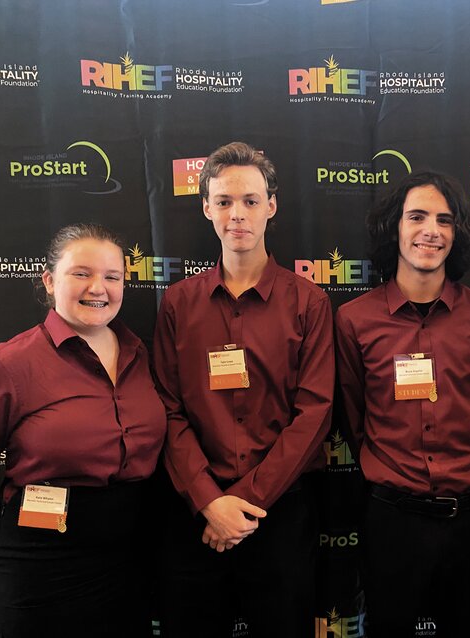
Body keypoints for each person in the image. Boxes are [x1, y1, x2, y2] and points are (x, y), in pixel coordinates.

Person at [0, 223, 167, 638]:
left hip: (127, 555)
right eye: (81, 273)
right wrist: (2, 536)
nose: (98, 287)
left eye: (112, 277)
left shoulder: (140, 355)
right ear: (48, 280)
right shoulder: (7, 365)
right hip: (41, 562)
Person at [153, 141, 334, 638]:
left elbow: (315, 413)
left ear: (271, 207)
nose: (238, 215)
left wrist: (243, 504)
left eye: (251, 201)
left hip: (280, 514)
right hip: (196, 515)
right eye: (225, 201)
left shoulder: (310, 302)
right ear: (207, 207)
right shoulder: (177, 303)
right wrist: (211, 502)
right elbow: (167, 410)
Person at [335, 170, 470, 637]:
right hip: (392, 520)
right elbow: (354, 417)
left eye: (445, 220)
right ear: (395, 227)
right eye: (417, 217)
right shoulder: (354, 320)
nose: (431, 230)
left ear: (457, 235)